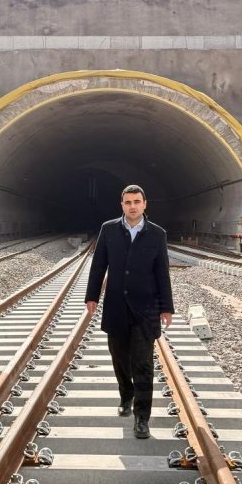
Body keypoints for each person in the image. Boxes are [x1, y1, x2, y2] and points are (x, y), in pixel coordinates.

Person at [84, 185, 174, 439]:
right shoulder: (109, 229)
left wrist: (166, 306)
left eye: (137, 201)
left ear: (145, 204)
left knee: (143, 364)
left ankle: (142, 417)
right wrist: (92, 295)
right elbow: (99, 264)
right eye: (127, 202)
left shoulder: (157, 234)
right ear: (121, 205)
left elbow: (162, 272)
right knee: (119, 356)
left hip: (145, 308)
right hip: (116, 306)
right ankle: (126, 395)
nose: (132, 206)